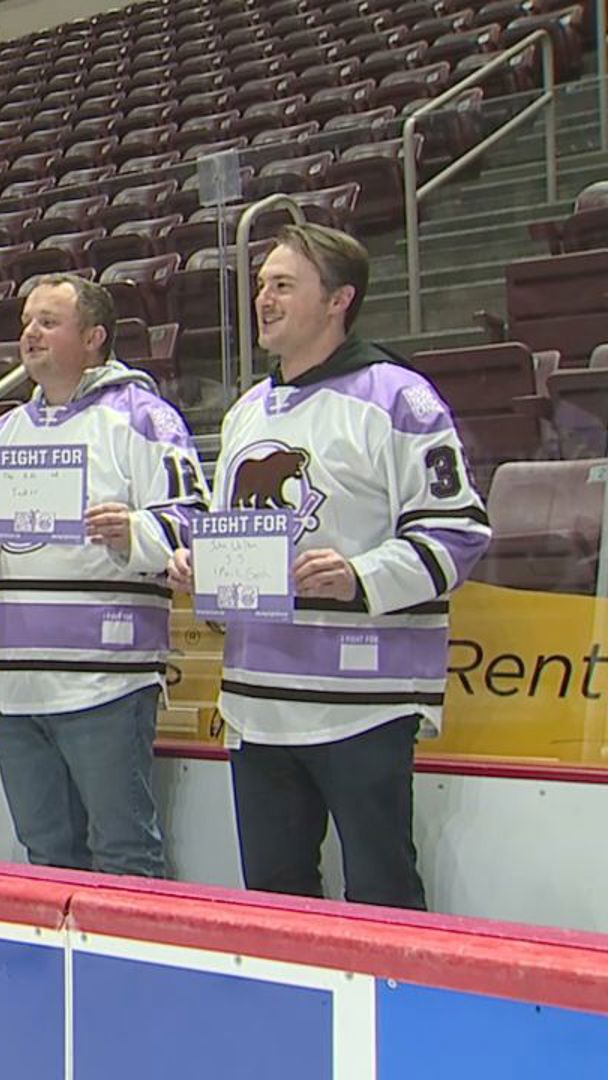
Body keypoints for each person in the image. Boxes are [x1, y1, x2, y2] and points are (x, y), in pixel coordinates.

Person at [167, 223, 491, 909]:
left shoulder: (400, 398)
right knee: (277, 901)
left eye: (283, 285)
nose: (263, 299)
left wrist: (361, 575)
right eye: (261, 285)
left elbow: (460, 531)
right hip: (257, 704)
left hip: (363, 705)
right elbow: (240, 537)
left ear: (339, 299)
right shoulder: (248, 411)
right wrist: (205, 568)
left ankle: (400, 1016)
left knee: (381, 891)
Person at [0, 275, 206, 878]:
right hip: (14, 687)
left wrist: (134, 530)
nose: (30, 333)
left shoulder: (146, 418)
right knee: (46, 858)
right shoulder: (2, 432)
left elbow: (193, 523)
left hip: (106, 683)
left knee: (123, 853)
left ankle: (131, 973)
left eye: (48, 322)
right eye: (27, 322)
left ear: (93, 337)